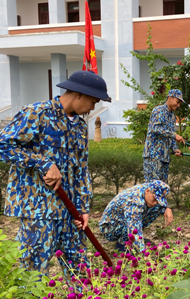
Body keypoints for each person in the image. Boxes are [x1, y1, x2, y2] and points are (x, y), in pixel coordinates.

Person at [0, 70, 111, 276]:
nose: (93, 107)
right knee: (33, 273)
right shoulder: (37, 113)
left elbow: (81, 169)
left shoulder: (78, 125)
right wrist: (41, 162)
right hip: (38, 210)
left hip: (70, 212)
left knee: (79, 270)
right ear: (79, 94)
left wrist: (84, 208)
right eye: (93, 101)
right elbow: (3, 145)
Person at [99, 180, 173, 252]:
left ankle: (135, 239)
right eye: (155, 199)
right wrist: (143, 252)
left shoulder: (149, 188)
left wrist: (167, 207)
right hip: (109, 228)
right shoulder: (135, 201)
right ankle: (123, 244)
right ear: (147, 191)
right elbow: (133, 225)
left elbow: (160, 199)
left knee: (158, 207)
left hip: (122, 221)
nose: (155, 202)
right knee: (132, 219)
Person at [143, 89, 186, 183]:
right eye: (177, 102)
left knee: (162, 189)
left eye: (179, 103)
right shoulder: (159, 110)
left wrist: (175, 149)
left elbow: (169, 134)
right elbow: (155, 128)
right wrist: (174, 135)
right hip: (153, 156)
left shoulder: (172, 116)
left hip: (164, 158)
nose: (178, 105)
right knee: (152, 189)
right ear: (170, 98)